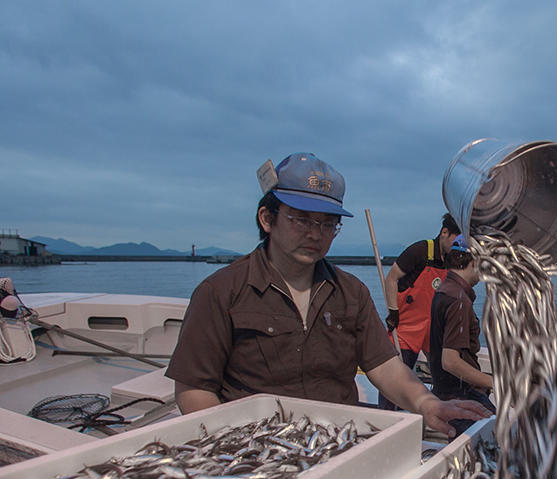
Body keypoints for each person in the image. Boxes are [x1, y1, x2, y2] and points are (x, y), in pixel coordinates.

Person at [166, 152, 488, 437]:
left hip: (337, 443)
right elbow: (194, 389)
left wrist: (426, 402)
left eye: (328, 224)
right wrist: (233, 443)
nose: (315, 234)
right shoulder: (220, 292)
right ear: (267, 219)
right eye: (302, 220)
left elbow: (386, 368)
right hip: (256, 451)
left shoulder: (351, 293)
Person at [427, 237, 495, 437]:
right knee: (497, 434)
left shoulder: (444, 290)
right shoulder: (459, 300)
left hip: (445, 391)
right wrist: (495, 383)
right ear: (474, 262)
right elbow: (450, 362)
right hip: (458, 395)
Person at [380, 214, 462, 376]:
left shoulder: (450, 259)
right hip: (407, 328)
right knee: (398, 377)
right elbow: (391, 279)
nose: (457, 246)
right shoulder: (419, 251)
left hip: (432, 328)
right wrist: (393, 311)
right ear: (444, 232)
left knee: (442, 376)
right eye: (456, 241)